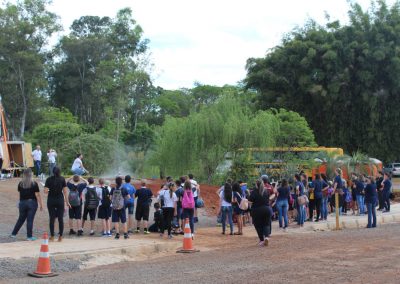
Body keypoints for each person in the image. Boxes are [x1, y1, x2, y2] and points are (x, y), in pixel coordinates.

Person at [10, 168, 43, 241]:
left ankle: (13, 234)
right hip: (32, 203)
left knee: (21, 219)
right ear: (31, 174)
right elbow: (37, 195)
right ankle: (29, 236)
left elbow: (20, 194)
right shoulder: (34, 183)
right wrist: (41, 205)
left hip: (22, 202)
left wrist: (20, 202)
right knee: (30, 220)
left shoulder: (21, 183)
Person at [44, 167, 69, 242]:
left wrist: (48, 190)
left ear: (53, 172)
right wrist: (67, 202)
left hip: (51, 200)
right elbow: (65, 192)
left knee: (52, 218)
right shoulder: (62, 179)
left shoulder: (48, 179)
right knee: (60, 219)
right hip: (60, 200)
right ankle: (60, 236)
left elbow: (45, 191)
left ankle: (52, 236)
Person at [248, 179, 271, 246]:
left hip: (256, 210)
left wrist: (246, 201)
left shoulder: (254, 192)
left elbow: (250, 201)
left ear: (256, 184)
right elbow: (268, 199)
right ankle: (266, 237)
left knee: (258, 226)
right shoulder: (266, 191)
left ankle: (261, 240)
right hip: (267, 209)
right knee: (266, 224)